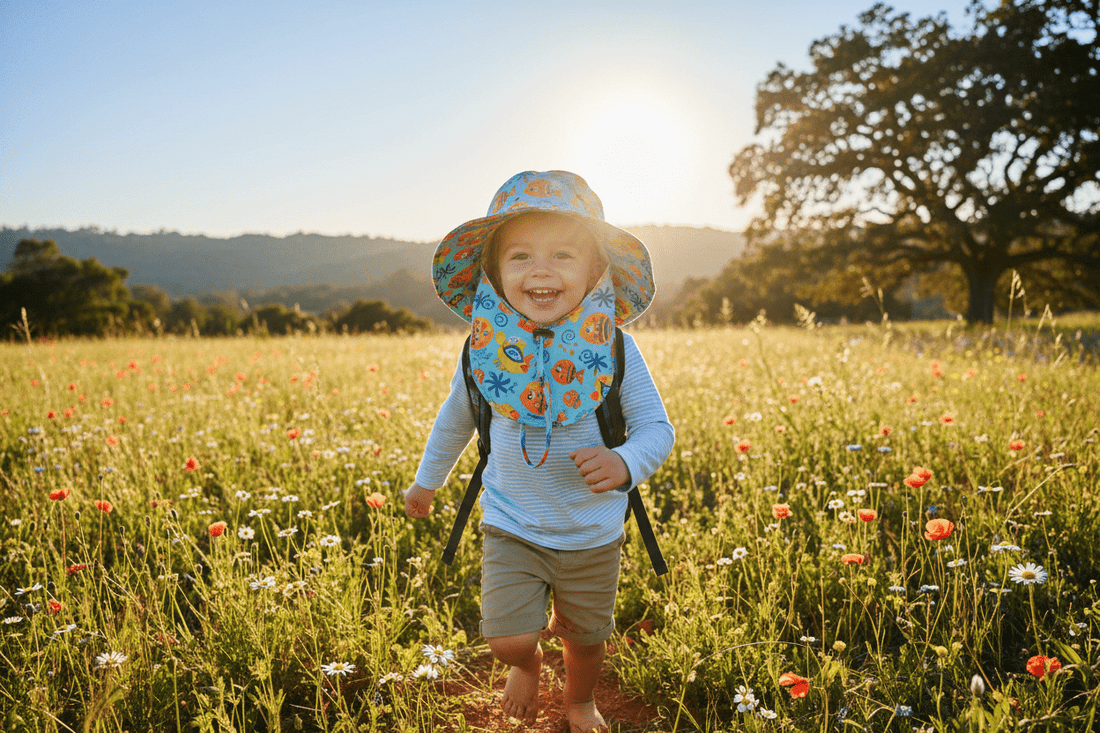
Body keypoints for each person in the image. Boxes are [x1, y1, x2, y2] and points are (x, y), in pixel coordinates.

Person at [404, 170, 674, 732]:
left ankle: (578, 700)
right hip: (512, 524)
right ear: (494, 273)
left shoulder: (615, 348)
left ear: (596, 271)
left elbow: (656, 428)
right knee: (507, 639)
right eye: (521, 256)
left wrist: (625, 461)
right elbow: (455, 420)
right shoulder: (484, 351)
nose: (542, 271)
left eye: (563, 255)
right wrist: (427, 481)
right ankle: (525, 665)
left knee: (586, 640)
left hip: (592, 533)